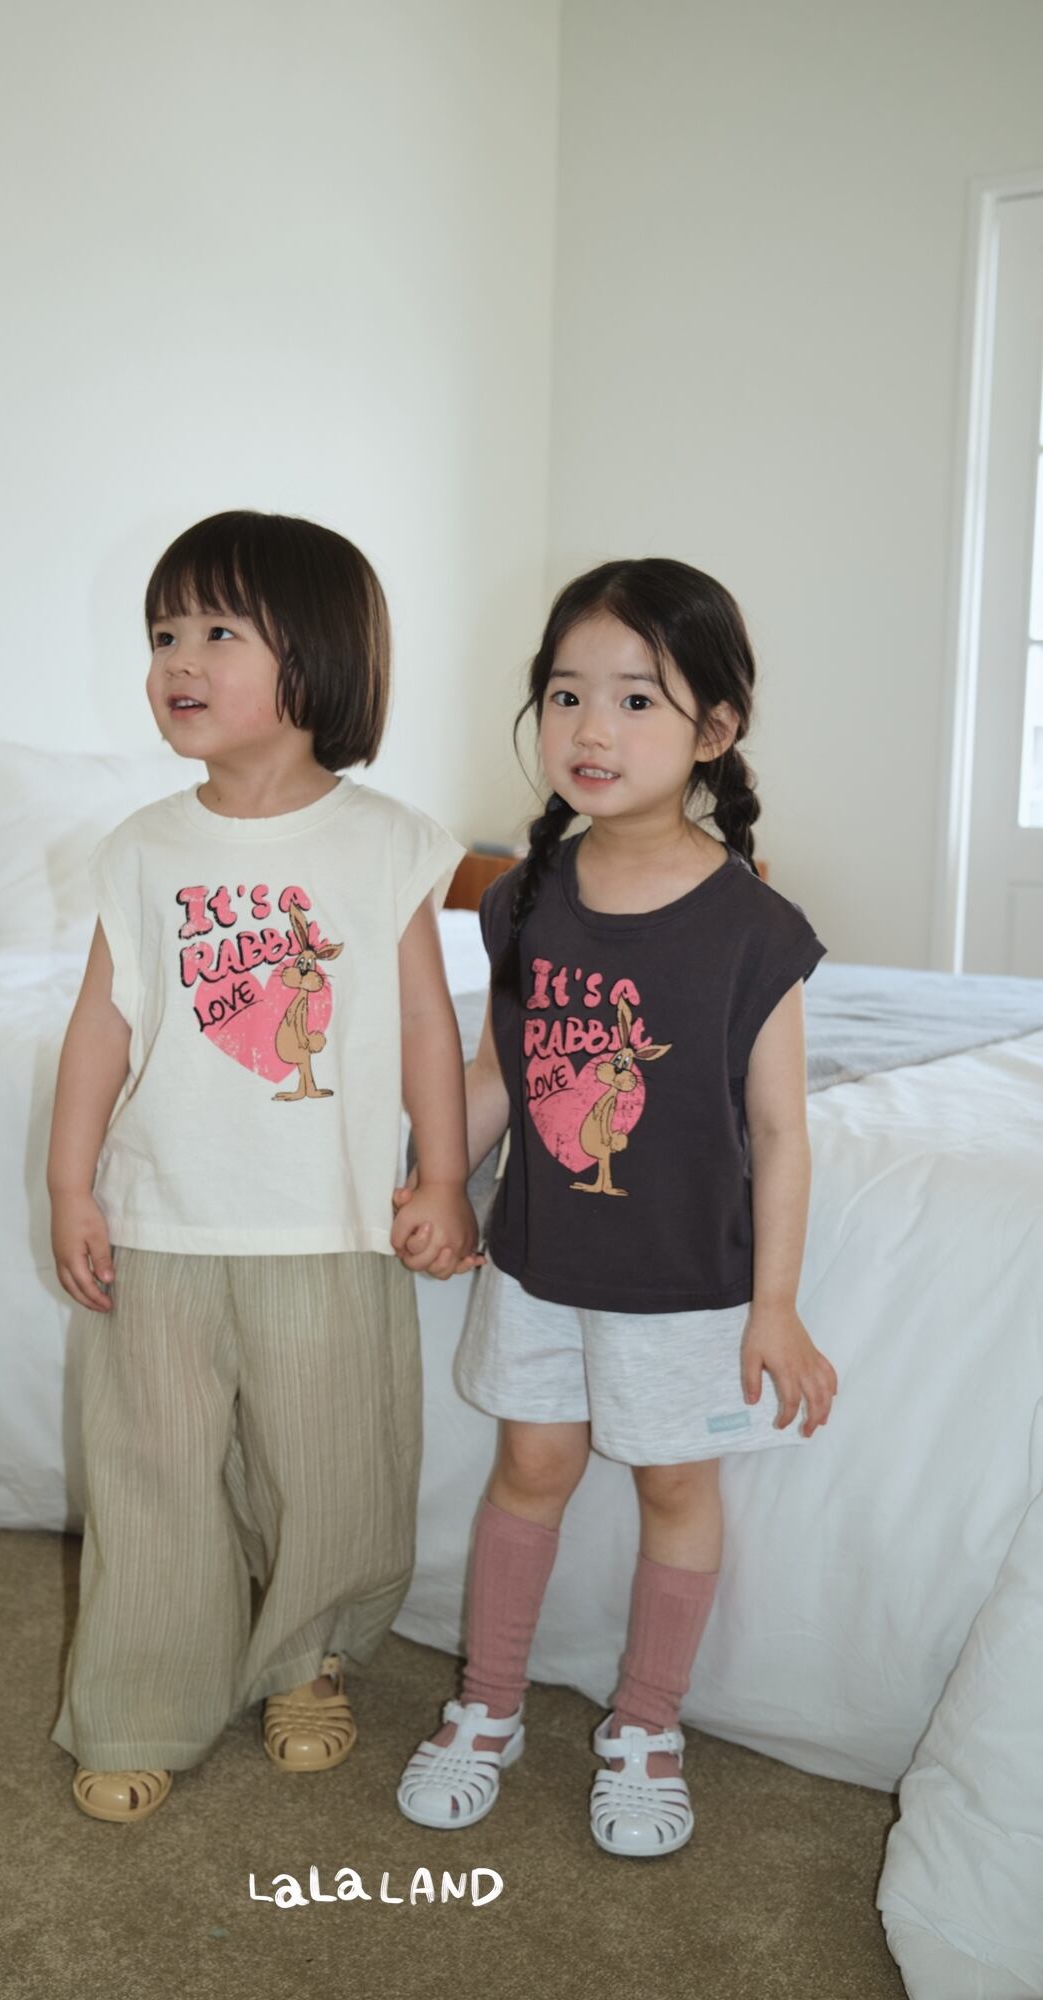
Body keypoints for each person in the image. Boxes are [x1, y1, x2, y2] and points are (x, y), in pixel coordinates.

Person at [394, 557, 837, 1857]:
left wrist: (774, 1307)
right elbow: (497, 1071)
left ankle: (645, 1725)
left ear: (713, 730)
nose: (592, 728)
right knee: (530, 1468)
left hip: (686, 1280)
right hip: (539, 1261)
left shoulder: (753, 928)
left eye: (637, 700)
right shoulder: (524, 898)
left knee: (673, 1485)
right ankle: (487, 1704)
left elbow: (780, 1131)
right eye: (566, 694)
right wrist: (438, 1180)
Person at [49, 508, 478, 1822]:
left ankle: (305, 1658)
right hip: (162, 1223)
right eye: (162, 633)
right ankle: (140, 1700)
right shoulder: (141, 849)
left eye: (217, 631)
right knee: (151, 1477)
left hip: (326, 1225)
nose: (177, 658)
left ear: (318, 658)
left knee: (333, 1469)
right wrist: (69, 1184)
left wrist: (442, 1177)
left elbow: (425, 1022)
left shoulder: (386, 839)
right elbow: (101, 1027)